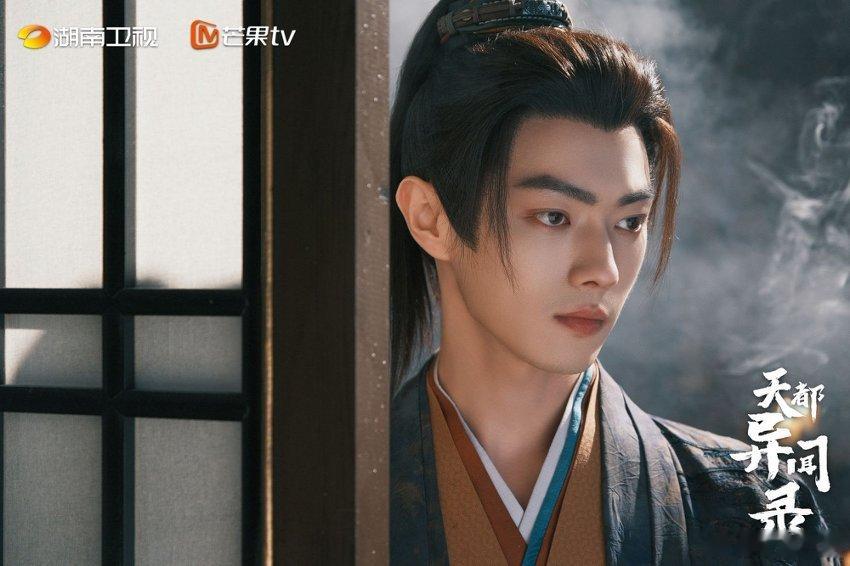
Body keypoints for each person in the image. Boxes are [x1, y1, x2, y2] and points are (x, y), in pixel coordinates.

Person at [389, 0, 840, 564]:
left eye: (629, 222)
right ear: (431, 219)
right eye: (554, 216)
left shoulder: (754, 504)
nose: (602, 269)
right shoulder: (317, 490)